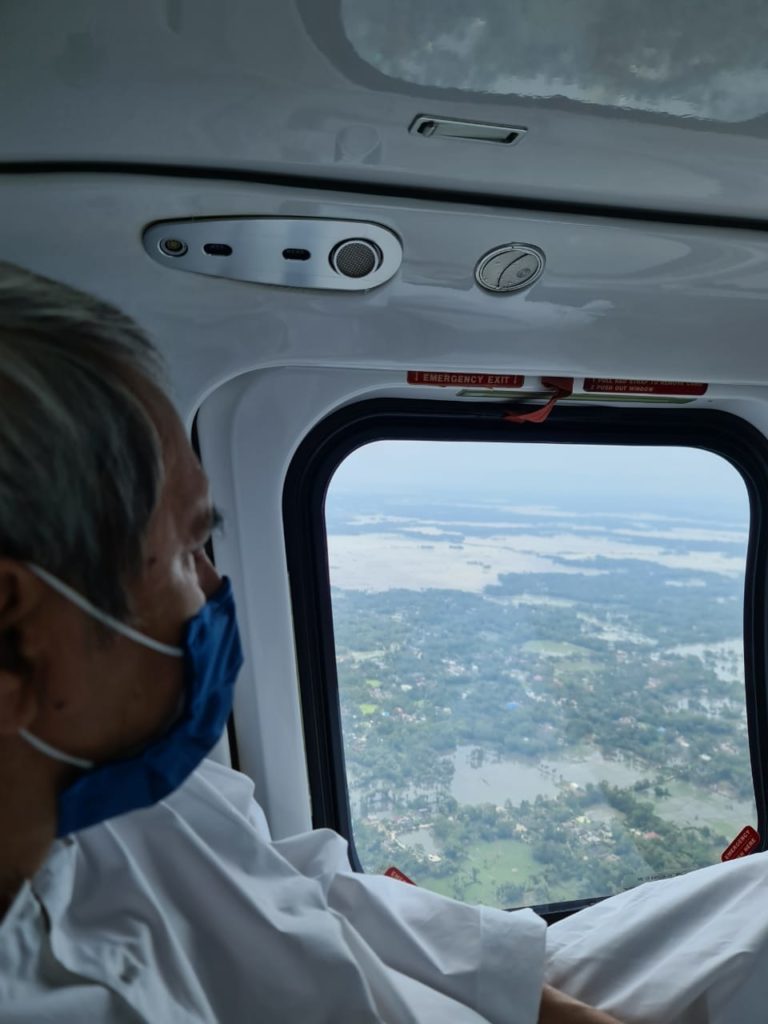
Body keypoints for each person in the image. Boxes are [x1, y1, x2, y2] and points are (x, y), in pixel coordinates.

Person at [0, 262, 765, 1024]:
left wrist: (554, 1013)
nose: (212, 587)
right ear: (13, 634)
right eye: (184, 550)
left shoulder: (140, 796)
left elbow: (306, 900)